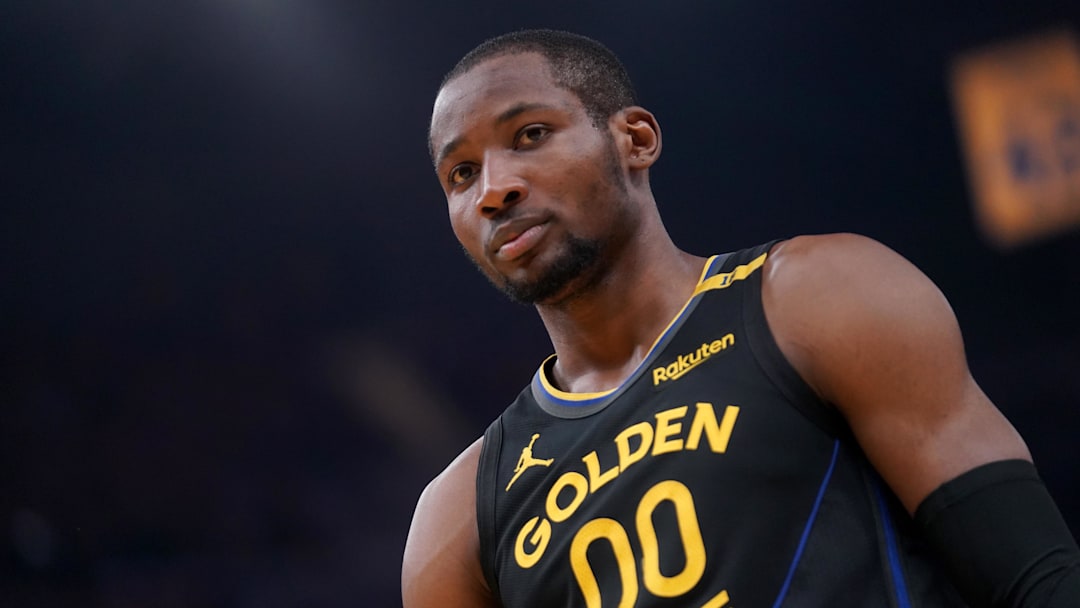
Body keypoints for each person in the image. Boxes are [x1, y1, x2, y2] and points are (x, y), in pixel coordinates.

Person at [402, 29, 1080, 607]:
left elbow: (1034, 574)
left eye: (530, 135)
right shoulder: (458, 516)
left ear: (634, 139)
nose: (494, 190)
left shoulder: (815, 295)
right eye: (460, 175)